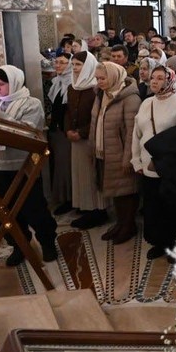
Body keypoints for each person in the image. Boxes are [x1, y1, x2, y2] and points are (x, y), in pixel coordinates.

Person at [0, 66, 57, 266]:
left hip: (22, 165)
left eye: (2, 84)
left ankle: (47, 242)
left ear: (14, 82)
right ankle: (18, 244)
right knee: (6, 210)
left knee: (34, 208)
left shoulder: (31, 104)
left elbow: (29, 132)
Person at [131, 66, 176, 261]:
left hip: (171, 168)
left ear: (170, 80)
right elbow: (137, 133)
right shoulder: (146, 103)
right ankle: (160, 242)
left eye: (160, 78)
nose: (154, 81)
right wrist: (136, 160)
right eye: (153, 77)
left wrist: (169, 156)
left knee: (173, 207)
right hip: (148, 166)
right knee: (154, 207)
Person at [89, 62, 141, 244]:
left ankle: (129, 226)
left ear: (113, 77)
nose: (99, 82)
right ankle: (120, 223)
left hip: (120, 153)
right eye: (97, 78)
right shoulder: (101, 94)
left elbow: (131, 132)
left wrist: (128, 158)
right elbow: (96, 121)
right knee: (116, 191)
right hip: (105, 150)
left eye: (102, 78)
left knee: (127, 192)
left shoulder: (129, 98)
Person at [66, 51, 103, 228]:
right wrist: (68, 130)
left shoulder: (96, 88)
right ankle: (85, 206)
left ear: (88, 66)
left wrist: (81, 132)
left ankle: (96, 211)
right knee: (80, 174)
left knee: (91, 175)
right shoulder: (72, 86)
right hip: (75, 138)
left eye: (78, 65)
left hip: (90, 138)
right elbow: (68, 111)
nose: (74, 68)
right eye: (73, 65)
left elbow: (97, 117)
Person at [46, 53, 73, 215]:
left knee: (66, 167)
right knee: (59, 166)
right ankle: (62, 198)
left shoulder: (73, 84)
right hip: (56, 129)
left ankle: (70, 199)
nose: (58, 65)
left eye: (62, 63)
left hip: (66, 131)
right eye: (56, 62)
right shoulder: (57, 82)